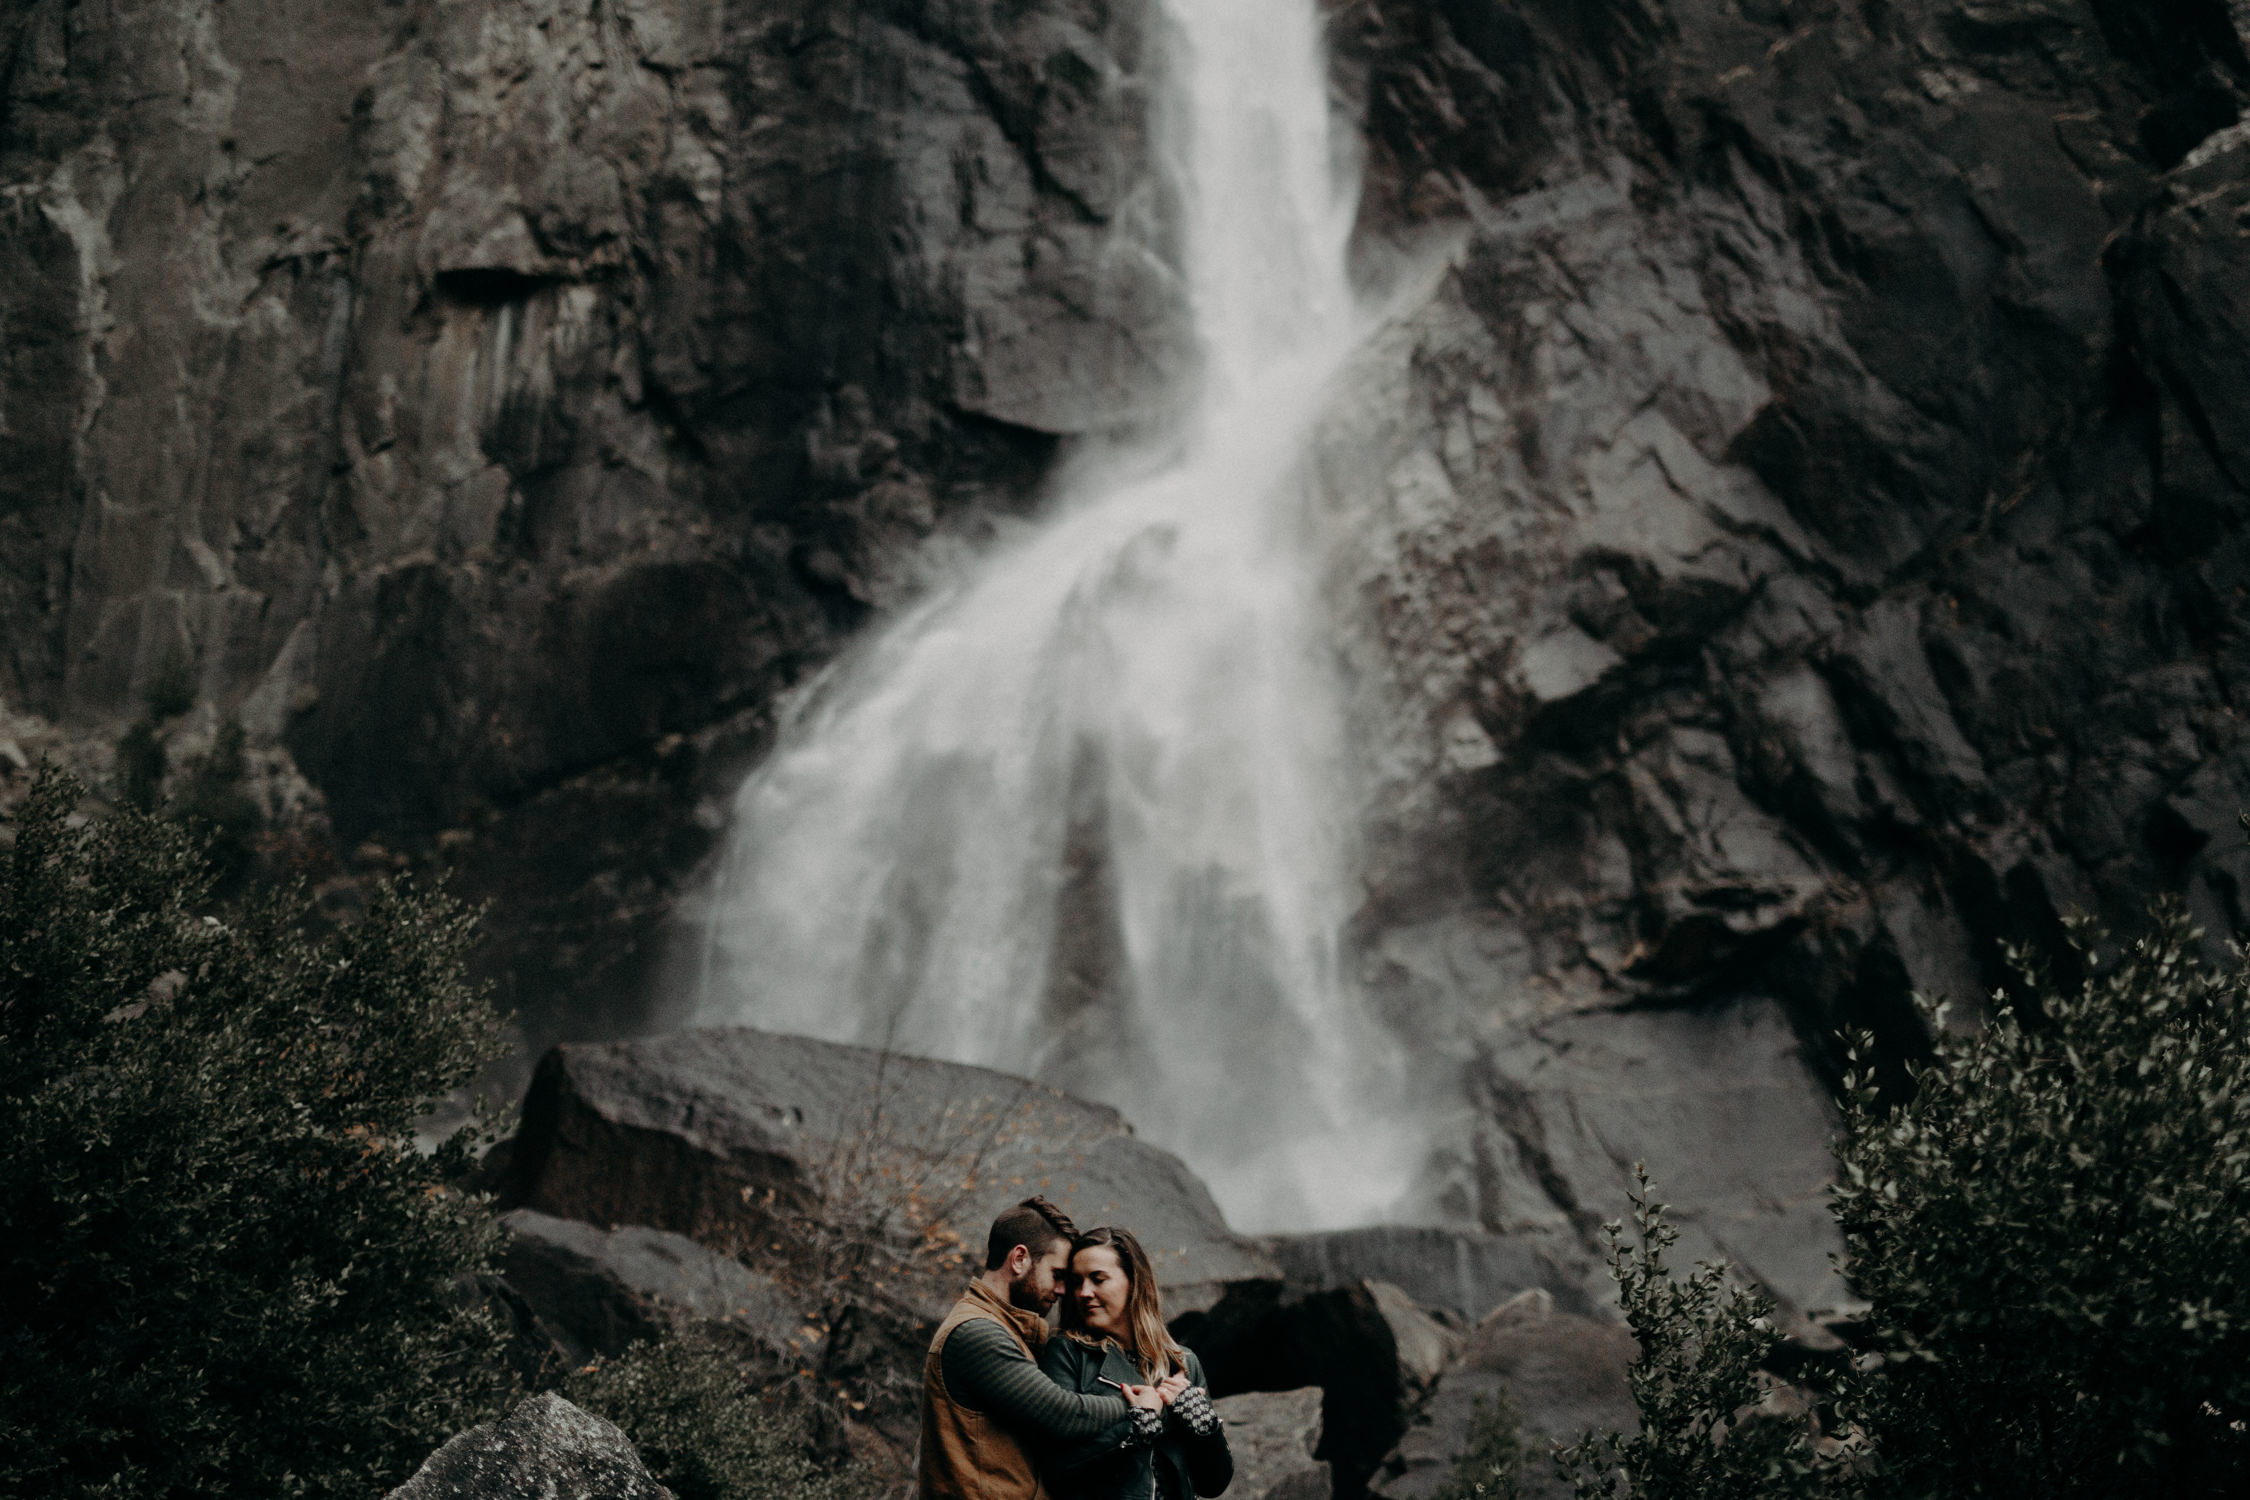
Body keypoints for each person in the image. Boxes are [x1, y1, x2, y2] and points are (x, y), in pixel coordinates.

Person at [921, 1197, 1168, 1500]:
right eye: (1058, 1275)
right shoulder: (977, 1332)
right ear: (1020, 1259)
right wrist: (1138, 1403)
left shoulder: (1006, 1330)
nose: (1066, 1291)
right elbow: (1062, 1413)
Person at [1037, 1225, 1234, 1499]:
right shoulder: (1067, 1354)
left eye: (1098, 1279)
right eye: (1076, 1281)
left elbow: (1212, 1484)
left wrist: (1204, 1428)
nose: (1083, 1292)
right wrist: (1138, 1426)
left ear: (1133, 1282)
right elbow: (1056, 1466)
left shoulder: (1184, 1362)